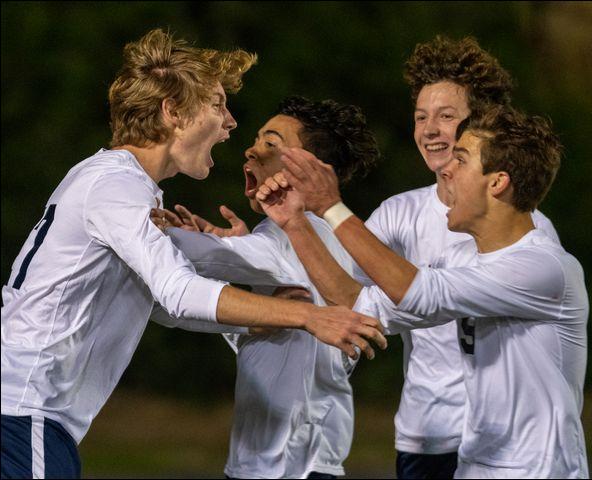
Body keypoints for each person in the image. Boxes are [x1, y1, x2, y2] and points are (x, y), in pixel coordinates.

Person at [0, 30, 386, 479]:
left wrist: (252, 310)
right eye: (218, 104)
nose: (231, 123)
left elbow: (164, 302)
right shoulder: (117, 187)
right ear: (173, 112)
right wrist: (306, 316)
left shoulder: (121, 186)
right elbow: (180, 292)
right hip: (23, 411)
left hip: (30, 414)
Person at [275, 36, 559, 479]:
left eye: (446, 117)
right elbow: (346, 293)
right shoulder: (399, 212)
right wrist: (280, 230)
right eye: (421, 117)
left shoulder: (527, 235)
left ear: (479, 125)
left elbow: (420, 293)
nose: (429, 129)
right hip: (426, 433)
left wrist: (330, 206)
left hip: (508, 443)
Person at [150, 95, 381, 479]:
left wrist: (153, 235)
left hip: (290, 464)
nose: (252, 150)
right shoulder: (304, 236)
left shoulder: (307, 233)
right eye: (258, 139)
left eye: (271, 143)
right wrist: (235, 261)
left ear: (311, 169)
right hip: (279, 460)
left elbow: (208, 264)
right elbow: (266, 332)